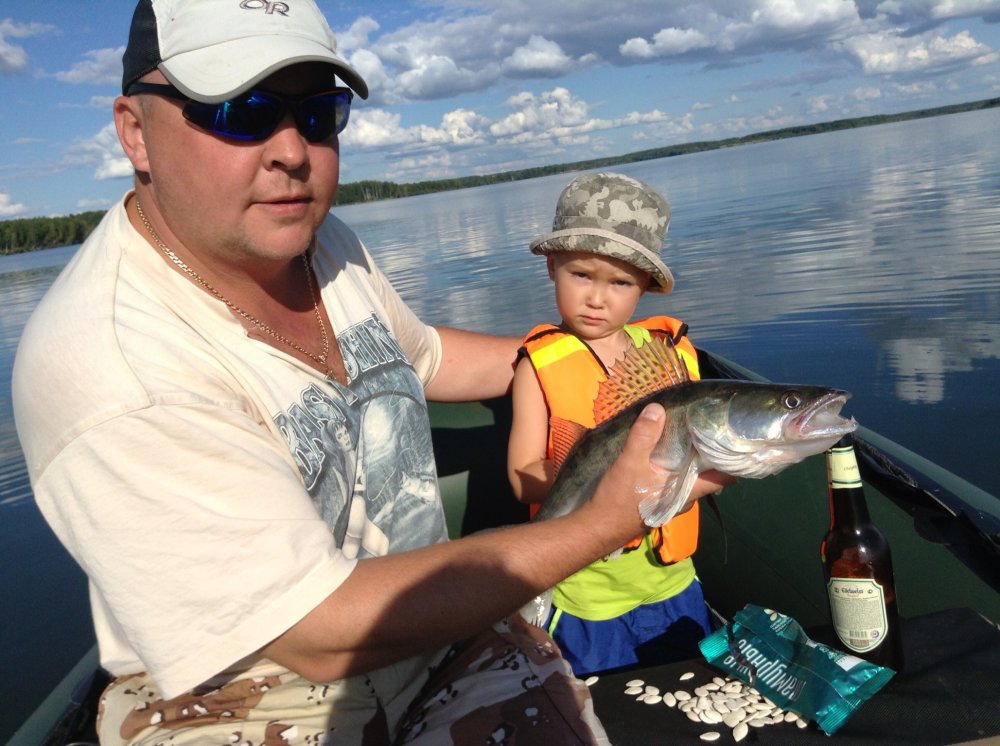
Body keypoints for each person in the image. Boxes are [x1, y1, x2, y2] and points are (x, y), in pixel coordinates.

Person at [12, 2, 726, 743]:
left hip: (434, 633)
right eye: (239, 110)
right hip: (248, 693)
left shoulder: (321, 246)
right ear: (135, 130)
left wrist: (575, 357)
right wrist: (606, 520)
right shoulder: (115, 365)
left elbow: (426, 357)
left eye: (318, 112)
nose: (292, 151)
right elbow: (319, 629)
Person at [507, 172, 734, 676]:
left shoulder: (674, 354)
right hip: (585, 593)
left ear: (645, 286)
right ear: (552, 266)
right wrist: (601, 485)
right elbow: (523, 475)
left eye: (620, 282)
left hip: (673, 583)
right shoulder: (537, 366)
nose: (597, 298)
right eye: (581, 275)